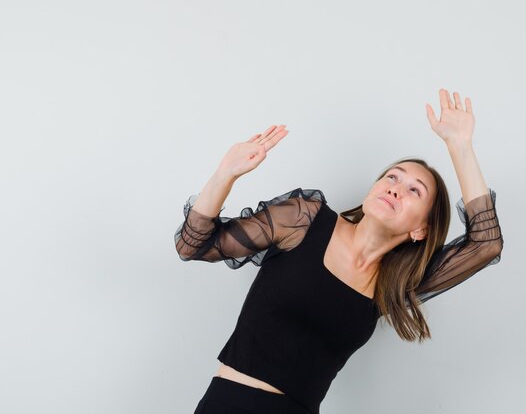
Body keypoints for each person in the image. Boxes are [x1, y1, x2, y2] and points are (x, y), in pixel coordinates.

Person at [174, 89, 503, 414]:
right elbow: (192, 245)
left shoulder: (396, 283)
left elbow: (486, 244)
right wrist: (224, 175)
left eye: (413, 190)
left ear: (420, 229)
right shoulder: (304, 220)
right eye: (392, 176)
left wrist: (460, 147)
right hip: (230, 403)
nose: (395, 187)